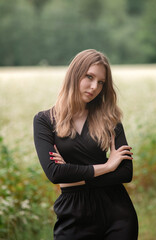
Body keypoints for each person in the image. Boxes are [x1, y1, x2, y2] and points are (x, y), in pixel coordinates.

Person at [33, 49, 138, 240]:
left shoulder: (110, 119)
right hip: (73, 216)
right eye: (89, 77)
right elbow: (55, 173)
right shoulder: (45, 120)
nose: (94, 87)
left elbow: (126, 172)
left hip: (118, 215)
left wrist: (74, 178)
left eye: (100, 82)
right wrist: (107, 166)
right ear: (74, 74)